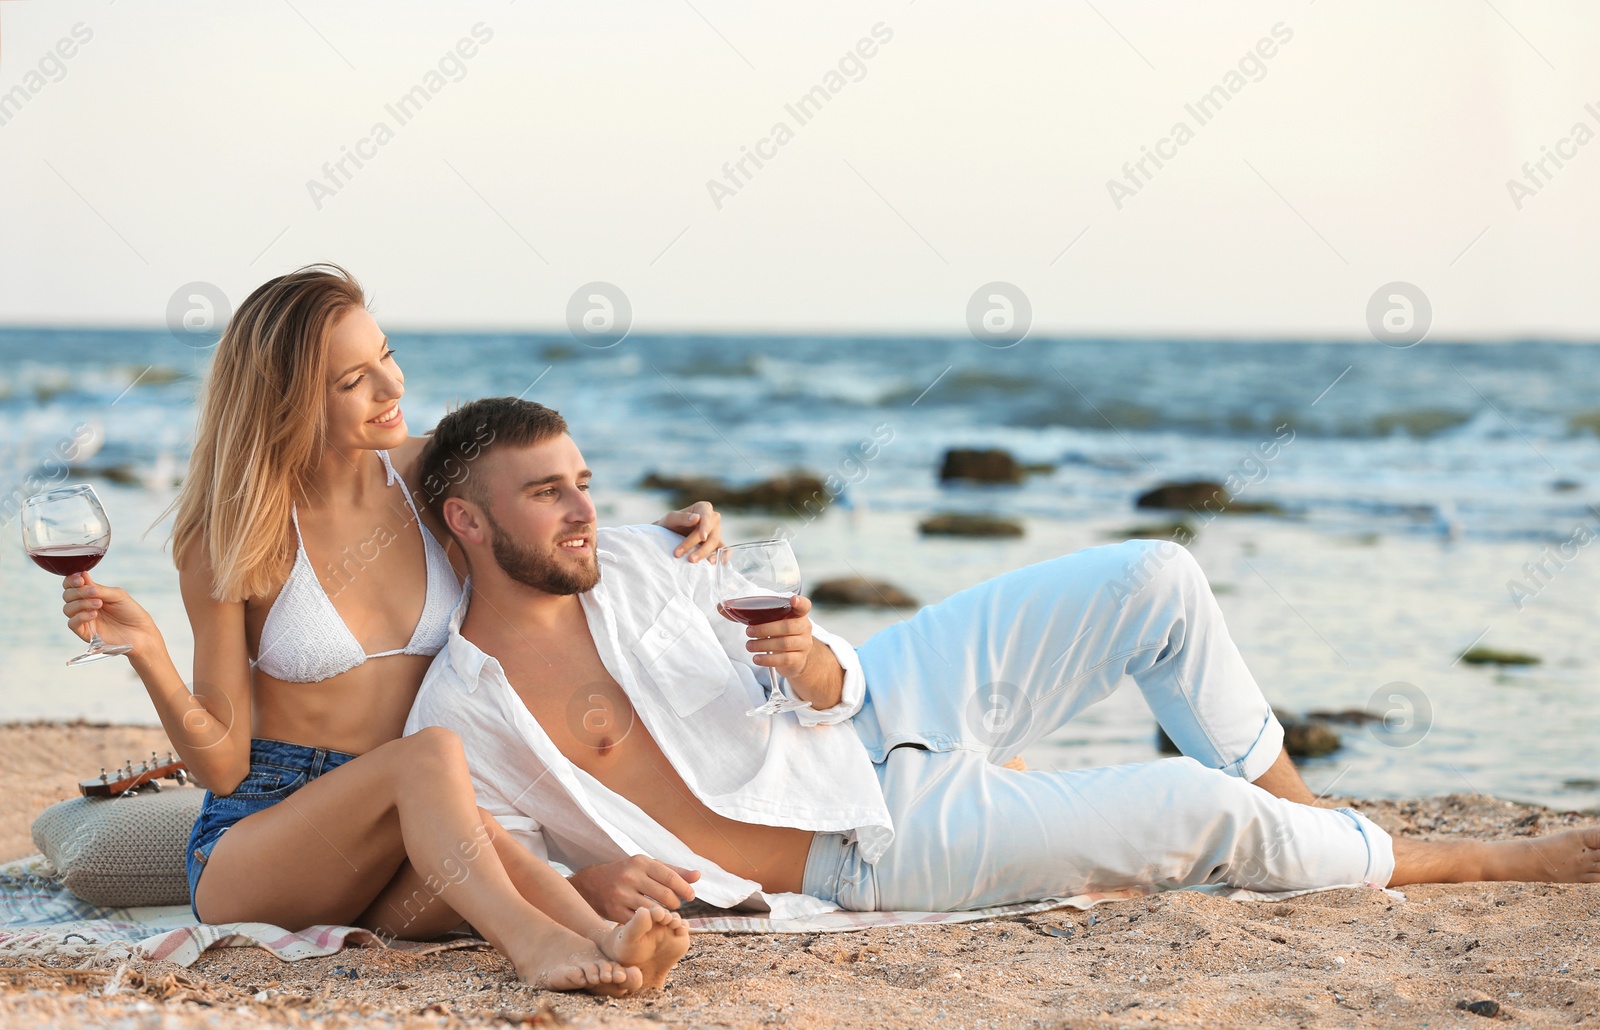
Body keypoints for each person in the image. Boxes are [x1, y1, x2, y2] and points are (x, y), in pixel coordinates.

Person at [406, 396, 1600, 922]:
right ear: (466, 520)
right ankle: (1477, 857)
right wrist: (588, 888)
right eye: (545, 492)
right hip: (868, 845)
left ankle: (1320, 825)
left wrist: (814, 664)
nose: (579, 507)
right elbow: (486, 862)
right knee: (1194, 804)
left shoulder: (640, 559)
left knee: (1156, 576)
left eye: (582, 481)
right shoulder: (465, 708)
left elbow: (804, 677)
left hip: (877, 701)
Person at [54, 266, 712, 993]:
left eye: (387, 357)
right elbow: (223, 768)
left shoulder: (424, 473)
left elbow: (532, 514)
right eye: (353, 381)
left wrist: (652, 541)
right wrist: (147, 650)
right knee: (430, 759)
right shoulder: (233, 533)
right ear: (290, 399)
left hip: (399, 836)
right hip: (259, 846)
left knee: (474, 829)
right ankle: (536, 947)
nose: (392, 388)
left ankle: (603, 939)